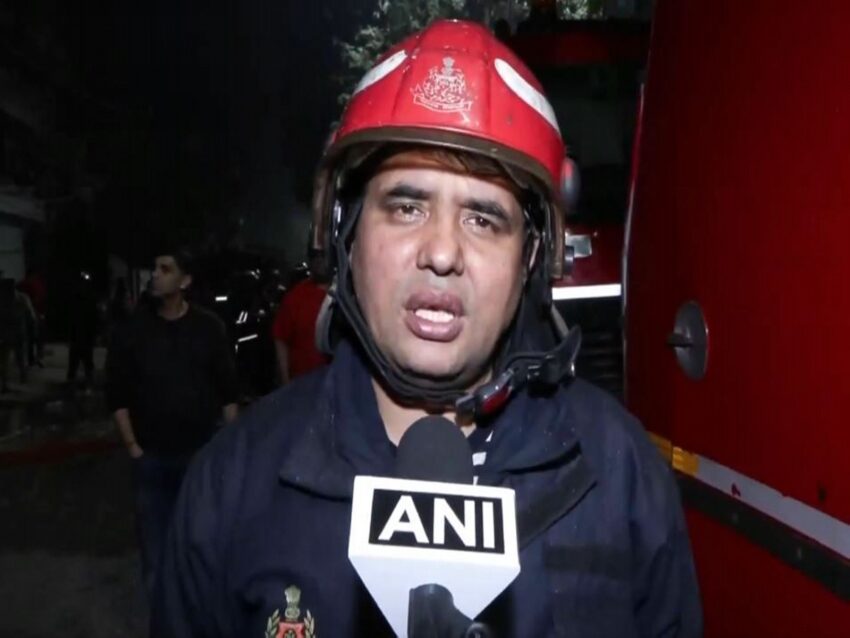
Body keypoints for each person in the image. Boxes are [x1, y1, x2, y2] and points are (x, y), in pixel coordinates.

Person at [152, 21, 702, 637]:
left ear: (530, 260)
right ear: (345, 235)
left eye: (483, 219)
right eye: (407, 206)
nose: (442, 252)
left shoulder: (624, 476)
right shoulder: (232, 484)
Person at [106, 247, 240, 600]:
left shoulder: (208, 328)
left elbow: (228, 394)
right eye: (154, 268)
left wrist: (227, 453)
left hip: (199, 458)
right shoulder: (133, 330)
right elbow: (117, 394)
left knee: (200, 546)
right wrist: (134, 448)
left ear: (185, 281)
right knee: (155, 552)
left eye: (165, 269)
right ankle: (161, 617)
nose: (155, 274)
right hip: (151, 459)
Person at [271, 247, 331, 384]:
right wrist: (286, 381)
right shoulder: (295, 297)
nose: (319, 260)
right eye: (315, 256)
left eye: (323, 255)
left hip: (337, 387)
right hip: (302, 386)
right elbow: (280, 339)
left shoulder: (344, 295)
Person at [66, 270, 99, 390]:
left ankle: (88, 385)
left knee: (86, 362)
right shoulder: (76, 299)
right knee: (75, 363)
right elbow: (70, 318)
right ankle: (73, 385)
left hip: (85, 336)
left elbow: (95, 318)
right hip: (78, 336)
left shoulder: (90, 299)